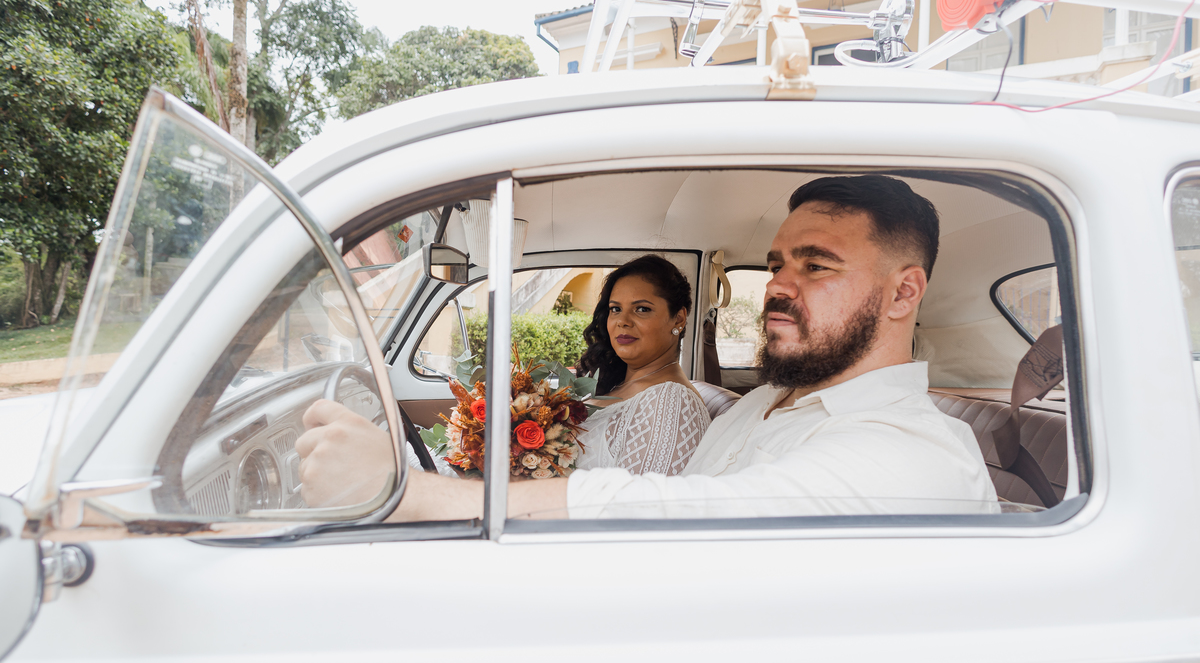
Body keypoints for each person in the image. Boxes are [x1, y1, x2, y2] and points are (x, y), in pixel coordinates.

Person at [296, 175, 996, 520]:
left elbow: (680, 514)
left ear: (904, 293)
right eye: (778, 263)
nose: (779, 286)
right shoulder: (768, 408)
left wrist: (413, 494)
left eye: (816, 266)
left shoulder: (910, 456)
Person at [573, 255, 711, 476]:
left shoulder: (671, 402)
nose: (623, 320)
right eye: (615, 309)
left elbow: (642, 506)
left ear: (678, 319)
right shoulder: (617, 381)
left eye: (642, 309)